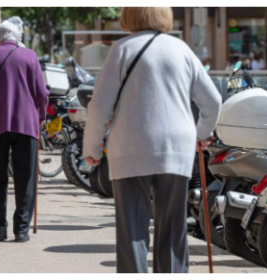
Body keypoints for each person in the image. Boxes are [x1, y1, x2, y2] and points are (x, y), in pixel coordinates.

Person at [83, 6, 222, 274]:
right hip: (176, 147)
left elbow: (99, 106)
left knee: (132, 230)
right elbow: (213, 101)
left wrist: (92, 149)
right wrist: (202, 133)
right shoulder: (180, 49)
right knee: (172, 229)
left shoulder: (122, 49)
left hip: (130, 147)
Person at [0, 20, 49, 243]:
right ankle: (22, 229)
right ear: (18, 38)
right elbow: (41, 93)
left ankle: (1, 227)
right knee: (25, 177)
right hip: (26, 124)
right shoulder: (30, 56)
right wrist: (41, 116)